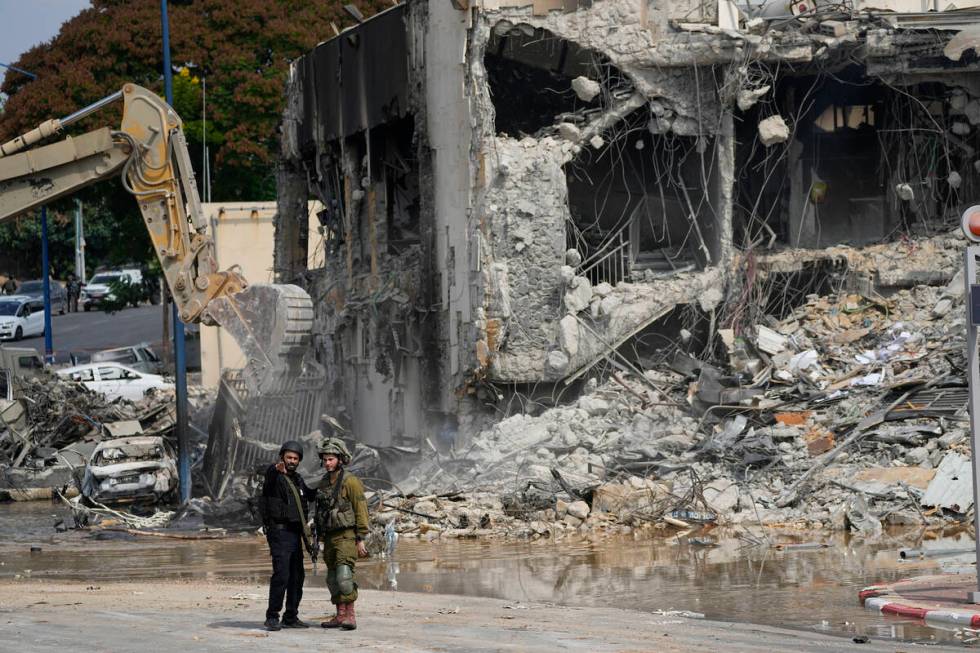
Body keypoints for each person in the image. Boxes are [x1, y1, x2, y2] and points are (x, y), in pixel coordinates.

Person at [259, 440, 316, 631]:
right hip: (279, 533)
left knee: (297, 576)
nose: (291, 461)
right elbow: (269, 473)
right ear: (282, 457)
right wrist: (277, 468)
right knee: (281, 575)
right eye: (288, 457)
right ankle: (272, 616)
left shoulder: (297, 479)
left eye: (295, 458)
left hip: (294, 533)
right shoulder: (274, 475)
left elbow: (310, 494)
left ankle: (290, 616)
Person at [314, 437, 369, 631]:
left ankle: (350, 617)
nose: (327, 463)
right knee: (331, 579)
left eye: (331, 459)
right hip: (329, 537)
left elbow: (361, 509)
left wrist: (360, 538)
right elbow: (320, 513)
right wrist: (319, 538)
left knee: (344, 577)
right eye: (325, 459)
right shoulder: (323, 483)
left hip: (346, 536)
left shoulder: (350, 481)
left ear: (340, 459)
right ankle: (339, 615)